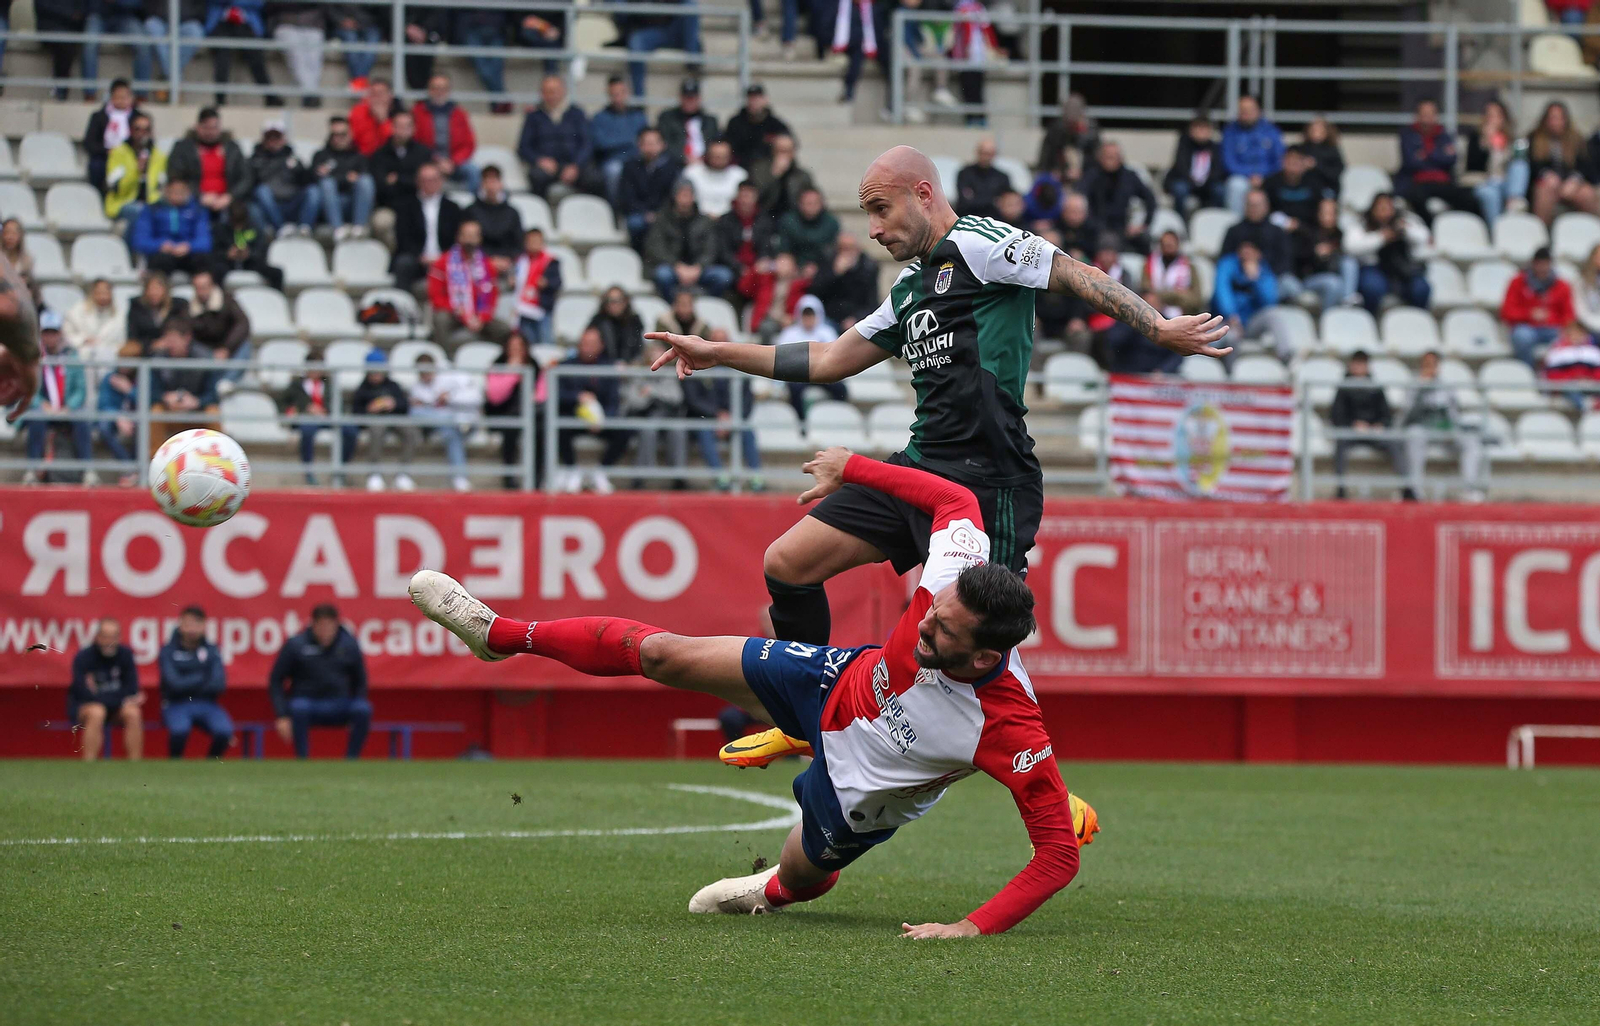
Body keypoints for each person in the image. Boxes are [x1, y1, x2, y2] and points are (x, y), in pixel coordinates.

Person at [409, 446, 1096, 932]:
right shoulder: (957, 571)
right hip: (833, 680)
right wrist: (851, 468)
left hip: (858, 791)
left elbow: (1058, 858)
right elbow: (955, 499)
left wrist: (969, 927)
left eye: (944, 631)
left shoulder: (1008, 725)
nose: (925, 622)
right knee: (666, 653)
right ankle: (500, 634)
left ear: (985, 656)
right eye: (933, 609)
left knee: (802, 877)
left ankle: (769, 887)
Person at [648, 145, 1229, 647]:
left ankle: (1011, 743)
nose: (873, 229)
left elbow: (1072, 271)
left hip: (988, 481)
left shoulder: (981, 244)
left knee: (969, 640)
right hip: (921, 469)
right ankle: (808, 704)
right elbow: (826, 360)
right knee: (786, 564)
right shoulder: (908, 289)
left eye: (881, 209)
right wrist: (718, 352)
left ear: (923, 194)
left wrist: (1156, 327)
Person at [268, 604, 372, 759]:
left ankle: (352, 759)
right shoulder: (296, 645)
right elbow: (276, 680)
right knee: (298, 708)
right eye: (322, 626)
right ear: (313, 625)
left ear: (337, 625)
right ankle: (302, 759)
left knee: (362, 709)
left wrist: (358, 699)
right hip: (306, 702)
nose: (325, 631)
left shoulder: (349, 645)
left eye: (329, 626)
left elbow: (360, 680)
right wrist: (282, 715)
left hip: (340, 703)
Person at [683, 328, 763, 491]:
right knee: (703, 430)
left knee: (747, 430)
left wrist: (732, 417)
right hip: (707, 419)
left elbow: (747, 400)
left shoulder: (741, 368)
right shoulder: (696, 366)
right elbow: (693, 399)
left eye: (723, 341)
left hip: (733, 418)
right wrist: (716, 415)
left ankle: (756, 476)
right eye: (715, 341)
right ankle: (720, 477)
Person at [556, 326, 631, 493]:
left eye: (592, 343)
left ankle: (601, 471)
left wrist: (601, 419)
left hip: (601, 420)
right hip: (573, 417)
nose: (587, 347)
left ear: (601, 345)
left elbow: (614, 400)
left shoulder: (609, 367)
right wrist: (577, 396)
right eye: (584, 343)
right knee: (558, 425)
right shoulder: (566, 366)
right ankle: (571, 469)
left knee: (624, 430)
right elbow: (557, 395)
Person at [1329, 349, 1411, 500]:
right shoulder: (1343, 387)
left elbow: (1386, 415)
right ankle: (1340, 488)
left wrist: (1380, 425)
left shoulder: (1376, 387)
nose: (1359, 368)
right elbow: (1336, 415)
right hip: (1351, 433)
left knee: (1395, 443)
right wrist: (1353, 424)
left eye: (1362, 364)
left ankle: (1406, 488)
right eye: (1356, 364)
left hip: (1374, 432)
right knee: (1340, 443)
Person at [1402, 350, 1483, 501]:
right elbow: (1407, 415)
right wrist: (1421, 388)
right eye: (1427, 364)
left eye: (1433, 364)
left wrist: (1453, 426)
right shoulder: (1413, 385)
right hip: (1423, 429)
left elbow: (1454, 413)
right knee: (1414, 435)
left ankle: (1469, 489)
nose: (1430, 367)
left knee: (1471, 442)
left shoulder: (1446, 386)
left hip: (1446, 430)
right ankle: (1414, 489)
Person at [22, 311, 93, 485]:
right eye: (46, 332)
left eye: (53, 332)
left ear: (60, 333)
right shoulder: (33, 358)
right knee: (36, 417)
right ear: (41, 334)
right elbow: (29, 389)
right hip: (45, 409)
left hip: (67, 408)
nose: (50, 337)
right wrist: (43, 404)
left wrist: (69, 407)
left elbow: (80, 390)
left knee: (82, 418)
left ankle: (88, 471)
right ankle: (32, 470)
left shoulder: (72, 356)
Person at [428, 220, 514, 353]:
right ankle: (445, 357)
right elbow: (436, 296)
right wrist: (461, 313)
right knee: (440, 319)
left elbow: (492, 296)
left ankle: (496, 361)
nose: (470, 240)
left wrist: (482, 317)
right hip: (453, 312)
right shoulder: (443, 262)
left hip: (479, 315)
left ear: (480, 239)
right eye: (467, 235)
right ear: (459, 237)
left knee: (505, 330)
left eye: (474, 236)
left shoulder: (486, 265)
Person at [158, 605, 233, 759]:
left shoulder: (212, 650)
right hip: (176, 703)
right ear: (180, 624)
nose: (192, 628)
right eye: (188, 623)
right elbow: (174, 684)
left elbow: (219, 684)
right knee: (179, 730)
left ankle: (212, 764)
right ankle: (174, 764)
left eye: (197, 623)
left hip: (207, 702)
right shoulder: (168, 651)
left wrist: (187, 681)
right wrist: (202, 676)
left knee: (224, 731)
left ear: (204, 625)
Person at [517, 74, 602, 203]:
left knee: (595, 179)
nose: (551, 95)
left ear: (563, 91)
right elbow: (523, 147)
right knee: (536, 177)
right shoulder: (534, 117)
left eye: (554, 91)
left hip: (574, 165)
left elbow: (587, 144)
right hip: (547, 167)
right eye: (547, 91)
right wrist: (539, 160)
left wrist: (576, 165)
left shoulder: (577, 114)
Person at [1396, 99, 1481, 225]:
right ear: (1417, 116)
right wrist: (1439, 155)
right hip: (1417, 182)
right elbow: (1411, 162)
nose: (1427, 119)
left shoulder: (1444, 135)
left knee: (1469, 199)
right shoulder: (1407, 135)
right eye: (1424, 114)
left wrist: (1427, 154)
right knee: (1416, 198)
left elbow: (1451, 160)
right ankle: (1432, 228)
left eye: (1431, 114)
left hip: (1442, 182)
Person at [69, 619, 142, 761]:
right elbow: (82, 692)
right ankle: (89, 763)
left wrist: (103, 696)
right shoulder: (83, 657)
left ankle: (135, 764)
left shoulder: (126, 655)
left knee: (133, 713)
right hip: (86, 707)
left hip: (116, 708)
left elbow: (131, 688)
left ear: (119, 638)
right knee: (97, 712)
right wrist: (118, 698)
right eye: (105, 636)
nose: (109, 641)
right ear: (97, 637)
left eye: (113, 637)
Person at [645, 181, 732, 299]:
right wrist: (676, 265)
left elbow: (711, 249)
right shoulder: (662, 219)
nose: (685, 199)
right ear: (675, 196)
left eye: (688, 195)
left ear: (694, 197)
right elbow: (656, 248)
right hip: (672, 267)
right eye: (682, 195)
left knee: (723, 276)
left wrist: (698, 267)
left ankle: (703, 305)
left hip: (699, 269)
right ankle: (674, 306)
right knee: (662, 275)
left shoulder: (705, 221)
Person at [1346, 193, 1430, 315]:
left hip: (1403, 268)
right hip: (1373, 267)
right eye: (1380, 207)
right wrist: (1382, 238)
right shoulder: (1362, 222)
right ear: (1372, 208)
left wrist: (1406, 230)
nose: (1384, 211)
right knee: (1372, 287)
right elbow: (1350, 247)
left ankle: (1416, 321)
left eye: (1388, 207)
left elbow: (1423, 239)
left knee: (1421, 288)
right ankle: (1369, 319)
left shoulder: (1404, 220)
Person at [146, 318, 221, 454]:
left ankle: (218, 457)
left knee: (213, 412)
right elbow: (150, 392)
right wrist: (165, 397)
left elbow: (213, 394)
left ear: (187, 338)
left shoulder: (205, 357)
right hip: (169, 411)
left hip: (197, 412)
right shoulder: (157, 358)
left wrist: (196, 401)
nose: (170, 345)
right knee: (155, 412)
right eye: (167, 340)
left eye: (173, 340)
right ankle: (154, 458)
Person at [409, 353, 480, 492]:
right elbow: (416, 412)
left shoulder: (450, 378)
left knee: (451, 432)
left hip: (463, 421)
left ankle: (460, 477)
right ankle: (460, 478)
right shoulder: (417, 387)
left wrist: (449, 398)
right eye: (422, 372)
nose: (425, 375)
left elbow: (475, 398)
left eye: (428, 371)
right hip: (445, 424)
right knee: (417, 413)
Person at [166, 108, 252, 220]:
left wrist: (229, 197)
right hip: (194, 201)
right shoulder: (183, 148)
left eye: (214, 128)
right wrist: (200, 196)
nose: (210, 132)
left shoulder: (232, 149)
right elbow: (175, 176)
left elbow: (246, 178)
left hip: (227, 202)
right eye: (206, 128)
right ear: (198, 127)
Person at [350, 348, 417, 491]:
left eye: (379, 371)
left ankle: (403, 474)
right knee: (377, 430)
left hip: (394, 418)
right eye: (373, 371)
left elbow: (405, 406)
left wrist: (394, 404)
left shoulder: (393, 385)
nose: (376, 375)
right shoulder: (362, 389)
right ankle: (374, 473)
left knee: (411, 432)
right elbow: (356, 412)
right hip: (375, 421)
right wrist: (369, 409)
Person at [718, 180, 780, 330]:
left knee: (767, 277)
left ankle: (757, 323)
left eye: (749, 196)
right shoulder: (726, 220)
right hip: (735, 269)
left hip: (756, 270)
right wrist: (739, 267)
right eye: (743, 196)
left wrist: (761, 262)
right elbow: (723, 250)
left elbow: (767, 246)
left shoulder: (764, 220)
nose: (746, 200)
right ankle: (756, 325)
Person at [392, 162, 463, 292]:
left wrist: (442, 258)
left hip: (445, 259)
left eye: (433, 180)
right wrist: (421, 257)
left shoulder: (452, 208)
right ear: (417, 182)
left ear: (441, 181)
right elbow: (403, 238)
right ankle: (401, 302)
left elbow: (457, 238)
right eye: (424, 180)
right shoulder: (406, 207)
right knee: (403, 263)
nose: (429, 184)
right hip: (417, 259)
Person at [483, 332, 541, 489]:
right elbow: (495, 397)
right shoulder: (498, 364)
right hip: (502, 412)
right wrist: (512, 373)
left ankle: (537, 479)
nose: (516, 350)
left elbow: (541, 392)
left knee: (541, 431)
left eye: (519, 347)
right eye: (512, 347)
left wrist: (533, 398)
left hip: (531, 413)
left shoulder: (533, 364)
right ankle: (509, 479)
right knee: (510, 430)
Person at [1501, 246, 1575, 367]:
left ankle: (1554, 373)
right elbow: (1507, 311)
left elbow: (1569, 315)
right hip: (1526, 327)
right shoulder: (1518, 282)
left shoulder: (1562, 285)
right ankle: (1527, 372)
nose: (1542, 268)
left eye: (1545, 264)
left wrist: (1551, 318)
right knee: (1522, 337)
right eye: (1539, 264)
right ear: (1533, 264)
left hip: (1553, 328)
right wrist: (1529, 314)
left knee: (1567, 338)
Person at [773, 295, 846, 415]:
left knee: (841, 389)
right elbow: (780, 358)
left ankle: (836, 416)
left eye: (811, 315)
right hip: (798, 375)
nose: (808, 318)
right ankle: (800, 420)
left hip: (823, 374)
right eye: (805, 315)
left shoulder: (827, 332)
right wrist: (777, 384)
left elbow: (836, 357)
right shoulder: (789, 333)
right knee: (795, 389)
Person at [1078, 141, 1156, 252]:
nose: (1110, 160)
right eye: (1107, 156)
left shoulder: (1129, 177)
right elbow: (1079, 197)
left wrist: (1143, 225)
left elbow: (1150, 199)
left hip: (1123, 228)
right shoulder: (1092, 176)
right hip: (1095, 229)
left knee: (1145, 241)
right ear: (1100, 158)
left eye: (1114, 157)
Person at [1527, 100, 1597, 225]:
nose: (1556, 122)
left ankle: (1593, 232)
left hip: (1570, 185)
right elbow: (1532, 165)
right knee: (1545, 189)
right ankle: (1541, 233)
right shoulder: (1534, 138)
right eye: (1553, 118)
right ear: (1545, 120)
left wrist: (1574, 180)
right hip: (1547, 185)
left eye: (1560, 118)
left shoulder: (1577, 139)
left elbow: (1585, 167)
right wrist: (1546, 175)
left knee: (1587, 193)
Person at [130, 178, 214, 277]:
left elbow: (205, 241)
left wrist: (189, 246)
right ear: (166, 191)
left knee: (203, 261)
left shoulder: (198, 211)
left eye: (181, 191)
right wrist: (160, 245)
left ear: (188, 191)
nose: (177, 195)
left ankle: (203, 287)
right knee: (161, 261)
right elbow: (140, 240)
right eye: (174, 191)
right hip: (161, 255)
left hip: (189, 254)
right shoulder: (152, 210)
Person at [1464, 99, 1528, 226]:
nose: (1493, 119)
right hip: (1485, 182)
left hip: (1506, 183)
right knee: (1489, 194)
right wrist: (1487, 143)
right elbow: (1473, 166)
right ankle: (1496, 230)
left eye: (1497, 115)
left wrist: (1504, 149)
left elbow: (1517, 167)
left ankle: (1514, 202)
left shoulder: (1513, 139)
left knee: (1520, 165)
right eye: (1489, 115)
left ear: (1504, 118)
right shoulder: (1476, 138)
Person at [412, 73, 480, 193]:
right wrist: (436, 160)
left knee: (473, 171)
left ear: (449, 91)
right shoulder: (418, 112)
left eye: (443, 88)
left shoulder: (459, 114)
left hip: (454, 162)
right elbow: (415, 141)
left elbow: (468, 144)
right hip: (427, 160)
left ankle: (473, 204)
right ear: (429, 90)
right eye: (435, 88)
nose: (439, 92)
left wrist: (453, 162)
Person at [617, 127, 684, 250]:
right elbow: (626, 196)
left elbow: (672, 196)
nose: (650, 148)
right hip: (639, 213)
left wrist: (659, 214)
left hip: (664, 213)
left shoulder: (672, 167)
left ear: (663, 145)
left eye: (654, 143)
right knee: (635, 223)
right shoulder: (630, 166)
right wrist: (645, 213)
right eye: (646, 144)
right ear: (639, 145)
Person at [310, 115, 375, 240]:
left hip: (353, 204)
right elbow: (314, 179)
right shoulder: (320, 156)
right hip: (329, 206)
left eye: (342, 134)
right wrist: (346, 178)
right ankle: (338, 229)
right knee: (326, 183)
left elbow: (363, 184)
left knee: (366, 181)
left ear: (350, 134)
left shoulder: (359, 157)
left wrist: (334, 176)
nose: (338, 138)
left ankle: (359, 229)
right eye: (334, 134)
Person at [248, 120, 317, 236]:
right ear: (263, 139)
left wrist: (298, 168)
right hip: (269, 208)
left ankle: (304, 229)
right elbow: (250, 184)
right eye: (269, 137)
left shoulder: (293, 158)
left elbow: (308, 181)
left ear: (284, 139)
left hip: (293, 204)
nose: (273, 141)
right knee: (261, 191)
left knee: (313, 191)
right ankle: (281, 229)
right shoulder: (255, 160)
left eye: (277, 137)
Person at [1210, 239, 1279, 354]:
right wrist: (1231, 315)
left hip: (1250, 323)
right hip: (1226, 321)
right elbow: (1222, 291)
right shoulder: (1228, 264)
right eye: (1244, 248)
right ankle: (1230, 366)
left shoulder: (1264, 270)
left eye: (1252, 249)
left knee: (1274, 315)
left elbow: (1270, 301)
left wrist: (1256, 280)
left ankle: (1287, 356)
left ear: (1259, 254)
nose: (1247, 252)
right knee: (1231, 335)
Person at [1220, 188, 1294, 292]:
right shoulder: (1233, 231)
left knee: (1290, 284)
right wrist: (1243, 260)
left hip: (1272, 278)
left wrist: (1261, 268)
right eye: (1250, 205)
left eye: (1257, 205)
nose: (1254, 209)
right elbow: (1224, 259)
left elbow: (1285, 262)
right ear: (1245, 206)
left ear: (1266, 206)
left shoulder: (1277, 232)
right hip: (1239, 278)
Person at [1220, 95, 1284, 215]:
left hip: (1268, 176)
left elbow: (1279, 159)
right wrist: (1250, 175)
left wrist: (1262, 175)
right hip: (1242, 177)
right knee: (1235, 185)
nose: (1246, 113)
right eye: (1242, 110)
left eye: (1249, 110)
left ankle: (1273, 223)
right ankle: (1237, 223)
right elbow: (1228, 162)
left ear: (1259, 110)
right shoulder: (1230, 131)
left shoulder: (1271, 130)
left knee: (1280, 185)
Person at [1292, 197, 1358, 312]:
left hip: (1334, 274)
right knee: (1333, 282)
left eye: (1331, 213)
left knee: (1349, 263)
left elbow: (1342, 257)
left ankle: (1347, 302)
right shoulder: (1307, 232)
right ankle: (1328, 317)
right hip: (1309, 278)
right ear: (1317, 213)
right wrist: (1314, 253)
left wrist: (1332, 252)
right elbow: (1297, 260)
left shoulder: (1339, 234)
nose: (1327, 216)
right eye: (1324, 212)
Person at [205, 0, 276, 106]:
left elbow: (259, 3)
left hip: (246, 22)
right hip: (220, 22)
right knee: (222, 53)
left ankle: (270, 97)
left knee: (255, 54)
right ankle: (220, 99)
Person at [590, 76, 649, 201]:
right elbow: (601, 143)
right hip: (613, 161)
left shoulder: (638, 116)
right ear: (609, 95)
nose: (618, 98)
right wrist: (629, 141)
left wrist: (617, 142)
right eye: (614, 94)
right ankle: (615, 208)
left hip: (637, 160)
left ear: (627, 93)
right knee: (614, 171)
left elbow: (644, 141)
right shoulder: (599, 118)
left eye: (621, 93)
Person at [103, 111, 164, 229]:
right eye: (137, 129)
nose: (142, 134)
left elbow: (161, 187)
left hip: (151, 202)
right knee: (140, 212)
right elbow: (116, 188)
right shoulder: (118, 153)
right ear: (130, 131)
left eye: (146, 130)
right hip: (123, 202)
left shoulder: (159, 155)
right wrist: (136, 171)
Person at [627, 7, 703, 99]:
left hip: (673, 27)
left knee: (691, 7)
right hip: (647, 29)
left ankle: (692, 63)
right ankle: (639, 101)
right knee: (635, 43)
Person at [809, 231, 879, 330]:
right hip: (829, 318)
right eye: (842, 249)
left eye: (850, 248)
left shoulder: (868, 267)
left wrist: (856, 318)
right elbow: (815, 292)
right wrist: (835, 273)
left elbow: (871, 303)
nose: (846, 253)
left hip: (856, 319)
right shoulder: (828, 260)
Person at [281, 360, 337, 484]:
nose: (315, 372)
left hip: (326, 418)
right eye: (312, 368)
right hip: (307, 419)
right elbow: (284, 402)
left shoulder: (329, 384)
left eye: (318, 368)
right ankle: (308, 472)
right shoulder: (297, 384)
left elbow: (337, 404)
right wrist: (303, 408)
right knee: (307, 431)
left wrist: (325, 411)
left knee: (349, 430)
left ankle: (340, 470)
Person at [83, 79, 141, 194]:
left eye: (124, 97)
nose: (121, 101)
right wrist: (107, 151)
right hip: (104, 156)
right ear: (111, 97)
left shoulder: (138, 117)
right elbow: (89, 143)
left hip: (129, 157)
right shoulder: (98, 116)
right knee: (96, 166)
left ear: (131, 98)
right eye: (117, 97)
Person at [189, 269, 252, 374]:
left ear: (212, 285)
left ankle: (227, 381)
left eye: (204, 287)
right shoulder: (189, 309)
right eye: (198, 288)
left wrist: (226, 348)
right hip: (206, 352)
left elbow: (242, 324)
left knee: (245, 346)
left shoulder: (228, 301)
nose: (201, 291)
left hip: (228, 346)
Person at [369, 110, 431, 215]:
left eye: (407, 126)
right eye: (399, 126)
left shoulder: (423, 153)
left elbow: (424, 183)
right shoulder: (380, 154)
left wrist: (398, 179)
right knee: (381, 221)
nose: (402, 130)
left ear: (414, 128)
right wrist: (410, 180)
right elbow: (381, 185)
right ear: (392, 127)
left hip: (418, 206)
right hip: (388, 206)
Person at [214, 197, 283, 290]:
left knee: (277, 273)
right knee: (215, 270)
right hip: (228, 263)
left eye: (240, 222)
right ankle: (218, 297)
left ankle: (275, 297)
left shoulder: (254, 229)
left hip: (249, 263)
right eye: (235, 222)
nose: (238, 227)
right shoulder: (221, 230)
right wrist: (227, 254)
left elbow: (262, 251)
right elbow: (214, 253)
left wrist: (249, 254)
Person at [465, 166, 524, 273]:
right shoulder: (470, 211)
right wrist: (488, 260)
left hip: (508, 264)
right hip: (477, 264)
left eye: (494, 181)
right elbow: (467, 241)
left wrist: (508, 259)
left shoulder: (512, 213)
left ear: (501, 183)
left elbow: (518, 242)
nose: (491, 186)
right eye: (487, 181)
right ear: (481, 184)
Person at [1163, 115, 1226, 213]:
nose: (1201, 132)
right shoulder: (1184, 144)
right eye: (1198, 128)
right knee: (1180, 189)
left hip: (1208, 182)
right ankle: (1179, 219)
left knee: (1219, 190)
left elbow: (1218, 170)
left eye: (1204, 128)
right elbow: (1181, 167)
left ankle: (1215, 217)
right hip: (1187, 181)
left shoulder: (1215, 147)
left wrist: (1205, 181)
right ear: (1191, 130)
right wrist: (1193, 181)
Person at [510, 227, 561, 347]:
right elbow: (514, 277)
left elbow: (558, 282)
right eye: (531, 241)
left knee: (545, 341)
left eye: (537, 241)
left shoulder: (550, 261)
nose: (534, 244)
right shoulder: (520, 261)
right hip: (523, 308)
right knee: (527, 341)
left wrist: (547, 283)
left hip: (542, 308)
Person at [776, 187, 840, 283]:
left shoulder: (831, 223)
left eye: (816, 203)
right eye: (808, 203)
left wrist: (817, 266)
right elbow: (784, 249)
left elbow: (832, 250)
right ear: (800, 204)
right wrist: (800, 267)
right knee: (783, 263)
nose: (812, 207)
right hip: (796, 265)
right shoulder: (789, 221)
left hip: (822, 265)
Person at [270, 2, 327, 108]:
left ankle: (310, 95)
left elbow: (321, 5)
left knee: (314, 59)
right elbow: (273, 5)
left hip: (312, 25)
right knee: (297, 57)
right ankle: (311, 95)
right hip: (286, 25)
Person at [1261, 146, 1330, 233]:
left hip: (1309, 229)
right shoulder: (1271, 183)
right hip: (1278, 230)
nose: (1293, 165)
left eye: (1297, 161)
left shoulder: (1314, 182)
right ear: (1283, 161)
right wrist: (1285, 222)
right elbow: (1266, 210)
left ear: (1304, 163)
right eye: (1289, 161)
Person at [747, 133, 815, 221]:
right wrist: (775, 175)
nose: (784, 155)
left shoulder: (802, 175)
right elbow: (757, 197)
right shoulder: (759, 169)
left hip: (792, 220)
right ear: (773, 151)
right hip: (764, 217)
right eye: (780, 151)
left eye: (787, 151)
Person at [142, 0, 208, 89]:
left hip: (186, 22)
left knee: (196, 31)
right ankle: (175, 78)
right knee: (151, 25)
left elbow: (201, 9)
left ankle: (167, 76)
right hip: (159, 20)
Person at [723, 83, 791, 168]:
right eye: (751, 98)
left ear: (765, 100)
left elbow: (788, 145)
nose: (754, 102)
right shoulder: (735, 123)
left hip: (768, 168)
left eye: (757, 98)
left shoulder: (776, 125)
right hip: (739, 167)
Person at [1036, 91, 1099, 184]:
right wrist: (1055, 171)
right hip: (1059, 176)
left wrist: (1082, 171)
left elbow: (1096, 157)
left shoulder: (1091, 129)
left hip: (1085, 176)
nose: (1071, 125)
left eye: (1074, 122)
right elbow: (1046, 157)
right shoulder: (1056, 129)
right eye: (1069, 122)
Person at [64, 278, 126, 370]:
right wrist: (83, 340)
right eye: (99, 292)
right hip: (82, 358)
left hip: (110, 360)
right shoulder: (77, 311)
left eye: (106, 293)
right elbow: (67, 334)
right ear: (92, 293)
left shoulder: (119, 315)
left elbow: (122, 341)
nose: (103, 297)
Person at [1141, 230, 1202, 320]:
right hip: (1154, 315)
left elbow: (1196, 300)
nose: (1168, 247)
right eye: (1165, 244)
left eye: (1171, 244)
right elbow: (1146, 294)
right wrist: (1178, 295)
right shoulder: (1149, 265)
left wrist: (1160, 297)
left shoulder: (1189, 268)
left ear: (1178, 245)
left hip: (1182, 316)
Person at [124, 271, 189, 355]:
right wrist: (153, 344)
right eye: (151, 289)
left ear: (165, 290)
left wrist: (172, 341)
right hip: (147, 351)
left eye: (158, 289)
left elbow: (185, 328)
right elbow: (133, 337)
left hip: (176, 347)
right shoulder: (136, 308)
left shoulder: (177, 306)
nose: (154, 293)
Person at [656, 79, 718, 164]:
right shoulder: (668, 118)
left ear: (699, 99)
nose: (689, 102)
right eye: (686, 98)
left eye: (692, 98)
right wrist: (683, 158)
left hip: (705, 164)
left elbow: (714, 143)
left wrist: (704, 158)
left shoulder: (710, 121)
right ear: (680, 98)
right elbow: (665, 143)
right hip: (676, 163)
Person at [683, 140, 748, 218]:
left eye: (723, 156)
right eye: (716, 156)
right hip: (697, 219)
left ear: (730, 156)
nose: (719, 160)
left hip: (731, 220)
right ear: (707, 155)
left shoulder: (740, 175)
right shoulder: (692, 172)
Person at [955, 139, 1012, 220]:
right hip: (968, 218)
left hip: (995, 220)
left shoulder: (1002, 177)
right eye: (984, 153)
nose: (986, 157)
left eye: (990, 154)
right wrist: (993, 201)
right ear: (977, 152)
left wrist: (976, 198)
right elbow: (965, 203)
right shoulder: (965, 174)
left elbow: (1005, 204)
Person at [330, 3, 382, 90]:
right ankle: (360, 81)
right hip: (340, 24)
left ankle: (357, 81)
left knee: (372, 42)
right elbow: (329, 7)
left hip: (368, 23)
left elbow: (377, 8)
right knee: (350, 39)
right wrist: (342, 20)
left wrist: (359, 22)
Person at [349, 77, 398, 156]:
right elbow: (355, 141)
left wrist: (383, 121)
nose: (377, 98)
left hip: (390, 158)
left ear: (390, 96)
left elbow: (396, 144)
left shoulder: (399, 113)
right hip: (362, 157)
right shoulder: (358, 112)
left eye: (380, 93)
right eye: (373, 94)